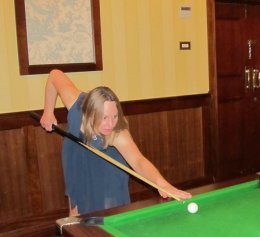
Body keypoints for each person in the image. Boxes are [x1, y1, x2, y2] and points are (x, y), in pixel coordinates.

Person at [40, 69, 191, 216]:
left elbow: (138, 161)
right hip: (77, 158)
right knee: (77, 212)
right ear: (90, 113)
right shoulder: (76, 104)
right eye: (104, 117)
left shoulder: (117, 133)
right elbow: (55, 75)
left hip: (107, 168)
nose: (110, 124)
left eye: (114, 116)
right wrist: (48, 111)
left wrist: (162, 183)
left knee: (106, 216)